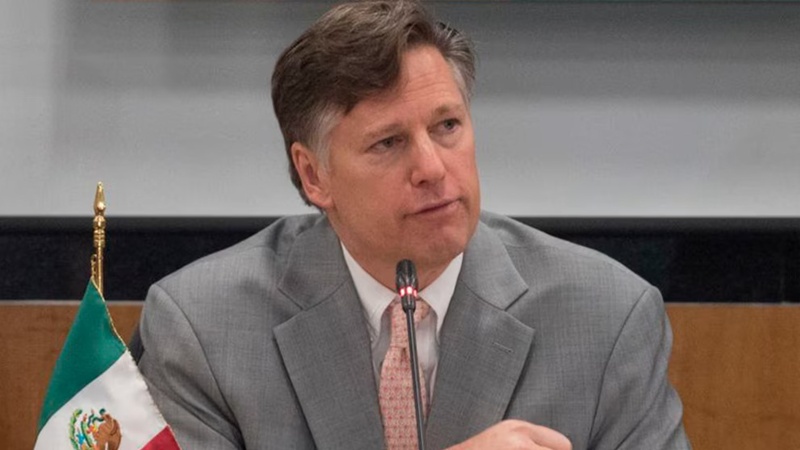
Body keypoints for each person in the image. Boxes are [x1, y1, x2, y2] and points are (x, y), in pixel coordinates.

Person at [135, 1, 691, 449]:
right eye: (388, 142)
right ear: (314, 175)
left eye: (447, 126)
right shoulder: (203, 329)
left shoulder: (607, 319)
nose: (432, 168)